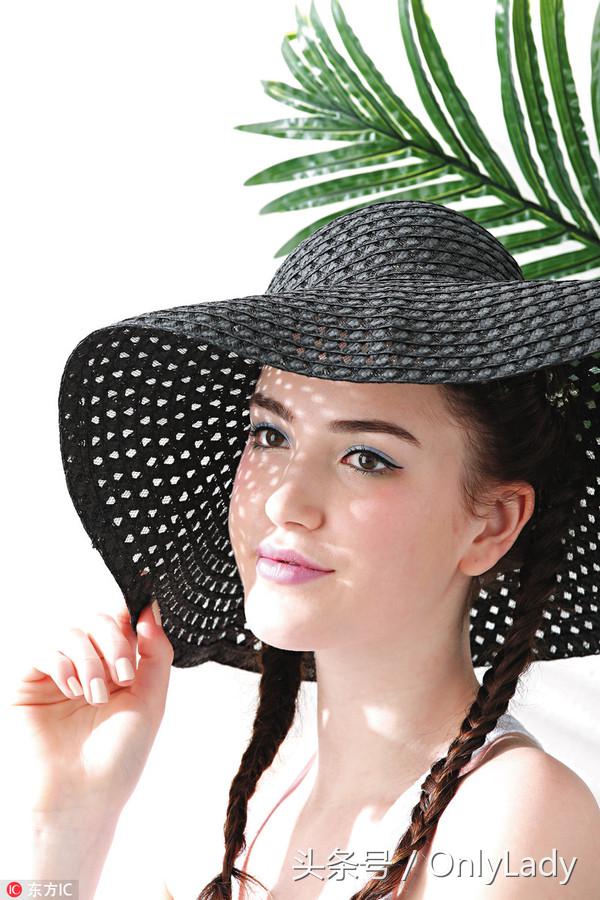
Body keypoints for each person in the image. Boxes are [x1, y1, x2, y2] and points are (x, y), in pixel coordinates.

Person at [7, 200, 600, 899]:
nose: (285, 501)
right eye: (270, 435)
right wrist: (63, 821)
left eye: (367, 457)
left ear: (492, 524)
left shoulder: (512, 820)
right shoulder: (233, 810)